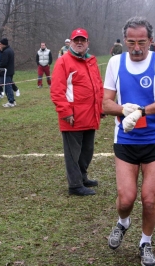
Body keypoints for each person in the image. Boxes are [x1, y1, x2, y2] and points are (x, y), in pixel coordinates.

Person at [103, 16, 155, 266]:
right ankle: (123, 222)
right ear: (124, 40)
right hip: (125, 139)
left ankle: (145, 242)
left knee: (149, 198)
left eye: (142, 42)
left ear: (151, 41)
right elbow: (105, 103)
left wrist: (142, 112)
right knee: (126, 199)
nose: (136, 48)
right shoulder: (115, 63)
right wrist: (123, 110)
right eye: (131, 42)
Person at [50, 28, 104, 196]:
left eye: (83, 40)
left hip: (90, 114)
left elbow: (98, 87)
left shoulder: (91, 61)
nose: (79, 42)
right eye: (76, 40)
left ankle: (82, 177)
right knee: (73, 154)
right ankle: (75, 185)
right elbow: (57, 90)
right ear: (71, 42)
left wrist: (100, 107)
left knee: (87, 151)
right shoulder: (63, 62)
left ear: (87, 42)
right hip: (73, 117)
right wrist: (65, 112)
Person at [0, 38, 16, 107]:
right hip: (10, 71)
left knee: (8, 87)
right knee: (9, 86)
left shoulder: (6, 52)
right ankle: (12, 100)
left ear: (3, 44)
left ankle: (11, 101)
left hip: (6, 72)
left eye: (0, 44)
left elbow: (4, 63)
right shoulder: (10, 50)